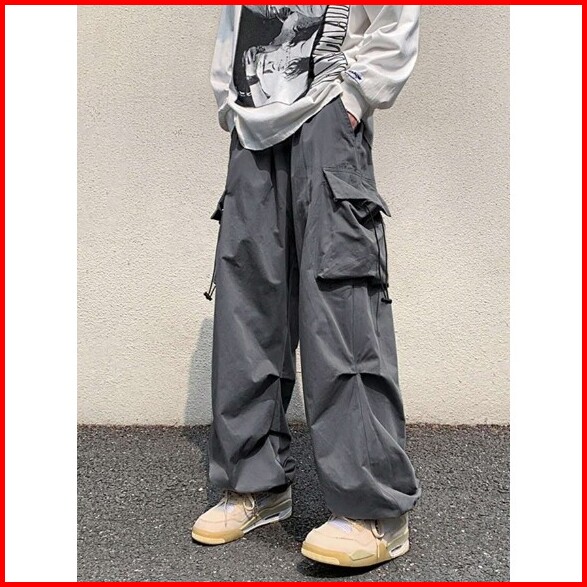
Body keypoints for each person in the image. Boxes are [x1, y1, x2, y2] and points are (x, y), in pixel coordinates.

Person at [193, 5, 422, 568]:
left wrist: (357, 94)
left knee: (340, 305)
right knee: (248, 307)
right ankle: (256, 484)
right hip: (252, 117)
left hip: (326, 110)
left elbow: (394, 15)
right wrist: (229, 98)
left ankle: (375, 509)